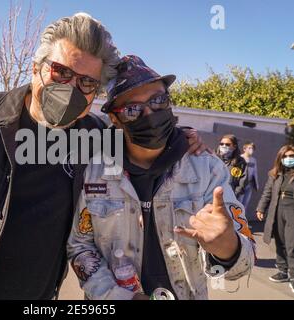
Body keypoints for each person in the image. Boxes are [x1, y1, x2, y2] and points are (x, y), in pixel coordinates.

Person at [0, 14, 206, 300]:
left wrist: (181, 140)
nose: (70, 89)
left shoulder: (98, 137)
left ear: (95, 94)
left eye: (87, 83)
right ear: (35, 68)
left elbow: (145, 142)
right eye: (61, 72)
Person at [67, 55, 255, 300]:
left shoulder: (207, 169)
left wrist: (228, 248)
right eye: (133, 109)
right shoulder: (96, 171)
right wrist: (119, 297)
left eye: (158, 100)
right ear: (114, 118)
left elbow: (244, 260)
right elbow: (80, 246)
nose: (150, 113)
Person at [256, 144, 294, 292]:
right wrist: (261, 208)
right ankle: (283, 271)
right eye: (286, 156)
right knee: (280, 241)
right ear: (280, 158)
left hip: (292, 212)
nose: (289, 159)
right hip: (277, 211)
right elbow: (267, 192)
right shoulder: (275, 174)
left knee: (292, 245)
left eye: (292, 156)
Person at [238, 142, 259, 210]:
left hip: (249, 184)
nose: (251, 150)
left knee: (245, 203)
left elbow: (255, 172)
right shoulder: (240, 158)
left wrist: (256, 184)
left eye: (252, 148)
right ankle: (235, 219)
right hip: (241, 184)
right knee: (239, 203)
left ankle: (242, 219)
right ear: (244, 149)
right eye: (249, 148)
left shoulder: (253, 160)